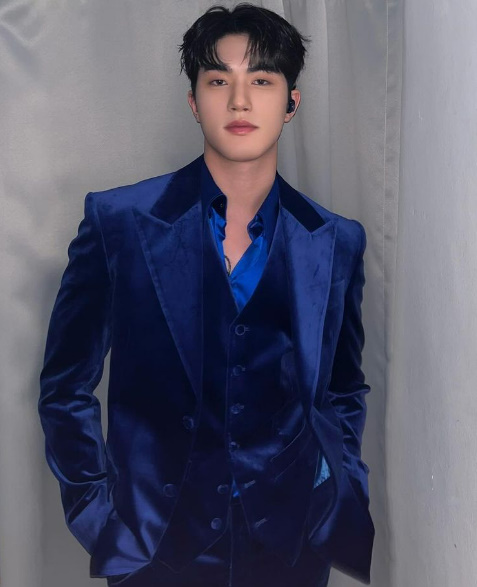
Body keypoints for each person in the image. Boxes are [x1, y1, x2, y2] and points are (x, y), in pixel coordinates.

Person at [38, 3, 374, 586]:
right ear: (194, 101)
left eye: (262, 81)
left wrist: (337, 489)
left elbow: (344, 389)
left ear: (291, 103)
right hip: (154, 545)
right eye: (219, 81)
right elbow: (65, 387)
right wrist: (100, 518)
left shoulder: (336, 240)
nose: (240, 101)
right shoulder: (119, 223)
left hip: (292, 547)